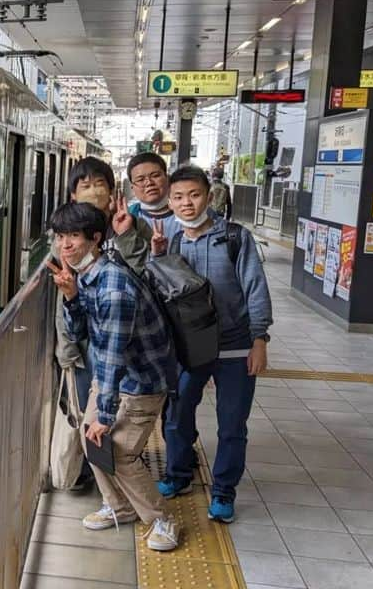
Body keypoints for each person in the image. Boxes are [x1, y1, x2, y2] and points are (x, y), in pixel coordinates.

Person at [48, 202, 180, 551]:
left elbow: (110, 354)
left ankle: (161, 519)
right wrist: (71, 297)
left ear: (95, 238)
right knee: (91, 440)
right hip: (115, 379)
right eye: (60, 236)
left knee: (119, 451)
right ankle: (120, 507)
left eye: (74, 236)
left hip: (141, 384)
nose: (65, 245)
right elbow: (80, 333)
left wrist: (105, 416)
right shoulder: (89, 275)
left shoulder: (113, 286)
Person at [153, 166, 273, 524]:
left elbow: (255, 288)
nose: (186, 203)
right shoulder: (172, 239)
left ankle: (223, 490)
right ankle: (179, 473)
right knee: (176, 417)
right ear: (170, 201)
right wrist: (159, 257)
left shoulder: (235, 238)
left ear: (208, 196)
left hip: (235, 347)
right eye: (178, 197)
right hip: (190, 348)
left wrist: (260, 339)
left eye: (193, 195)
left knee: (232, 424)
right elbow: (166, 290)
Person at [53, 157, 151, 489]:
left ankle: (115, 484)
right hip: (83, 342)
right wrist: (65, 346)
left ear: (111, 191)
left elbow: (141, 277)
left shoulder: (129, 226)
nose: (93, 190)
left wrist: (126, 236)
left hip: (121, 340)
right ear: (72, 194)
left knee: (113, 414)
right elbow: (64, 291)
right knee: (84, 412)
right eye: (84, 185)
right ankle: (89, 476)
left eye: (100, 184)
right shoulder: (66, 233)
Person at [126, 153, 173, 225]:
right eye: (140, 180)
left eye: (155, 176)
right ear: (132, 187)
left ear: (167, 178)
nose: (149, 183)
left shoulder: (187, 216)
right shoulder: (126, 218)